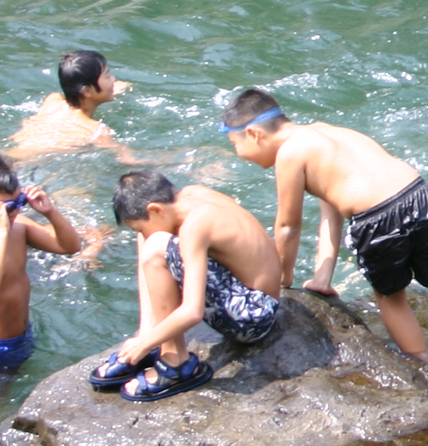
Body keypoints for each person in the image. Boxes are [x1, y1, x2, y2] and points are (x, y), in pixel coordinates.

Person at [220, 89, 428, 388]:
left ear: (254, 134)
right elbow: (330, 211)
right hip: (420, 193)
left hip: (376, 216)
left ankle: (427, 367)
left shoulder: (289, 154)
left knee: (391, 297)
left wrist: (282, 278)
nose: (238, 155)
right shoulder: (325, 132)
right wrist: (322, 276)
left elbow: (287, 227)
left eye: (235, 145)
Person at [87, 171, 283, 401]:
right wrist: (147, 336)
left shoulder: (195, 225)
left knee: (155, 245)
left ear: (155, 209)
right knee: (149, 237)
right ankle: (149, 330)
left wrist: (143, 344)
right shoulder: (192, 194)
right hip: (254, 296)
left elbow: (192, 311)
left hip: (254, 316)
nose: (140, 234)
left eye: (139, 225)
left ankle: (176, 362)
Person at [0, 154, 81, 376]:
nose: (15, 213)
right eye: (7, 207)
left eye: (19, 202)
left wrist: (49, 212)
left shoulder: (19, 227)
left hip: (22, 336)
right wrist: (1, 232)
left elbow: (70, 246)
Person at [8, 50, 140, 163]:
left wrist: (110, 90)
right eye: (107, 76)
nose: (113, 79)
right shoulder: (97, 130)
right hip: (34, 163)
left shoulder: (52, 100)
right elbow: (126, 158)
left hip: (12, 156)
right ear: (87, 91)